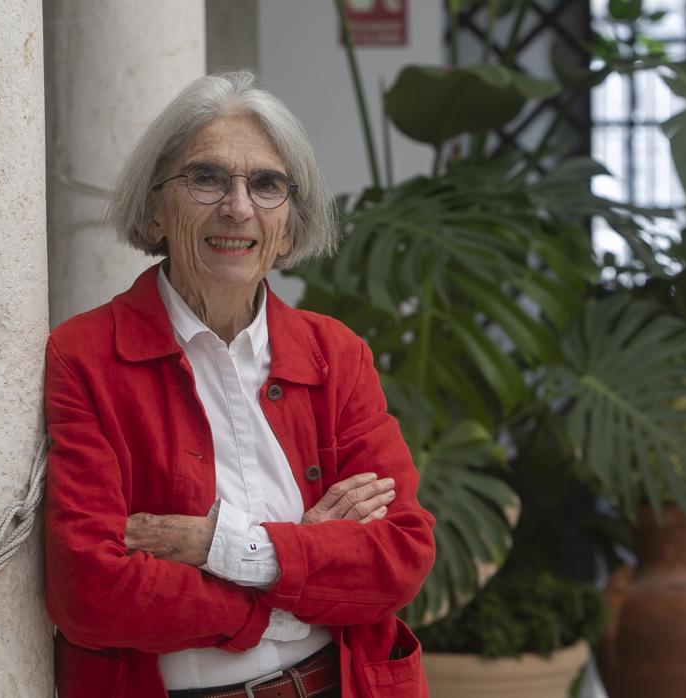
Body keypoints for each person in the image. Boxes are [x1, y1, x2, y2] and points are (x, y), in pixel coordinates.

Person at [43, 70, 435, 698]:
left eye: (267, 184)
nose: (238, 206)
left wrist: (222, 548)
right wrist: (296, 578)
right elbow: (90, 593)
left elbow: (400, 554)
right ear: (153, 209)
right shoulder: (85, 356)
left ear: (289, 225)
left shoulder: (336, 354)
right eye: (206, 178)